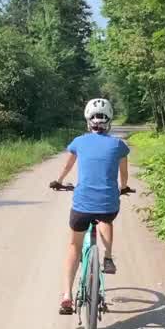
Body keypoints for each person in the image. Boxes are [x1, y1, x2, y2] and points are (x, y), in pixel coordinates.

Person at [49, 98, 131, 314]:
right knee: (106, 218)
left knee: (74, 246)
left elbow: (67, 165)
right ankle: (108, 256)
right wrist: (124, 187)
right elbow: (124, 174)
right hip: (107, 203)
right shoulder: (119, 145)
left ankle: (67, 296)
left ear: (88, 121)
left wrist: (58, 181)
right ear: (109, 121)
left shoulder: (79, 142)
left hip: (82, 205)